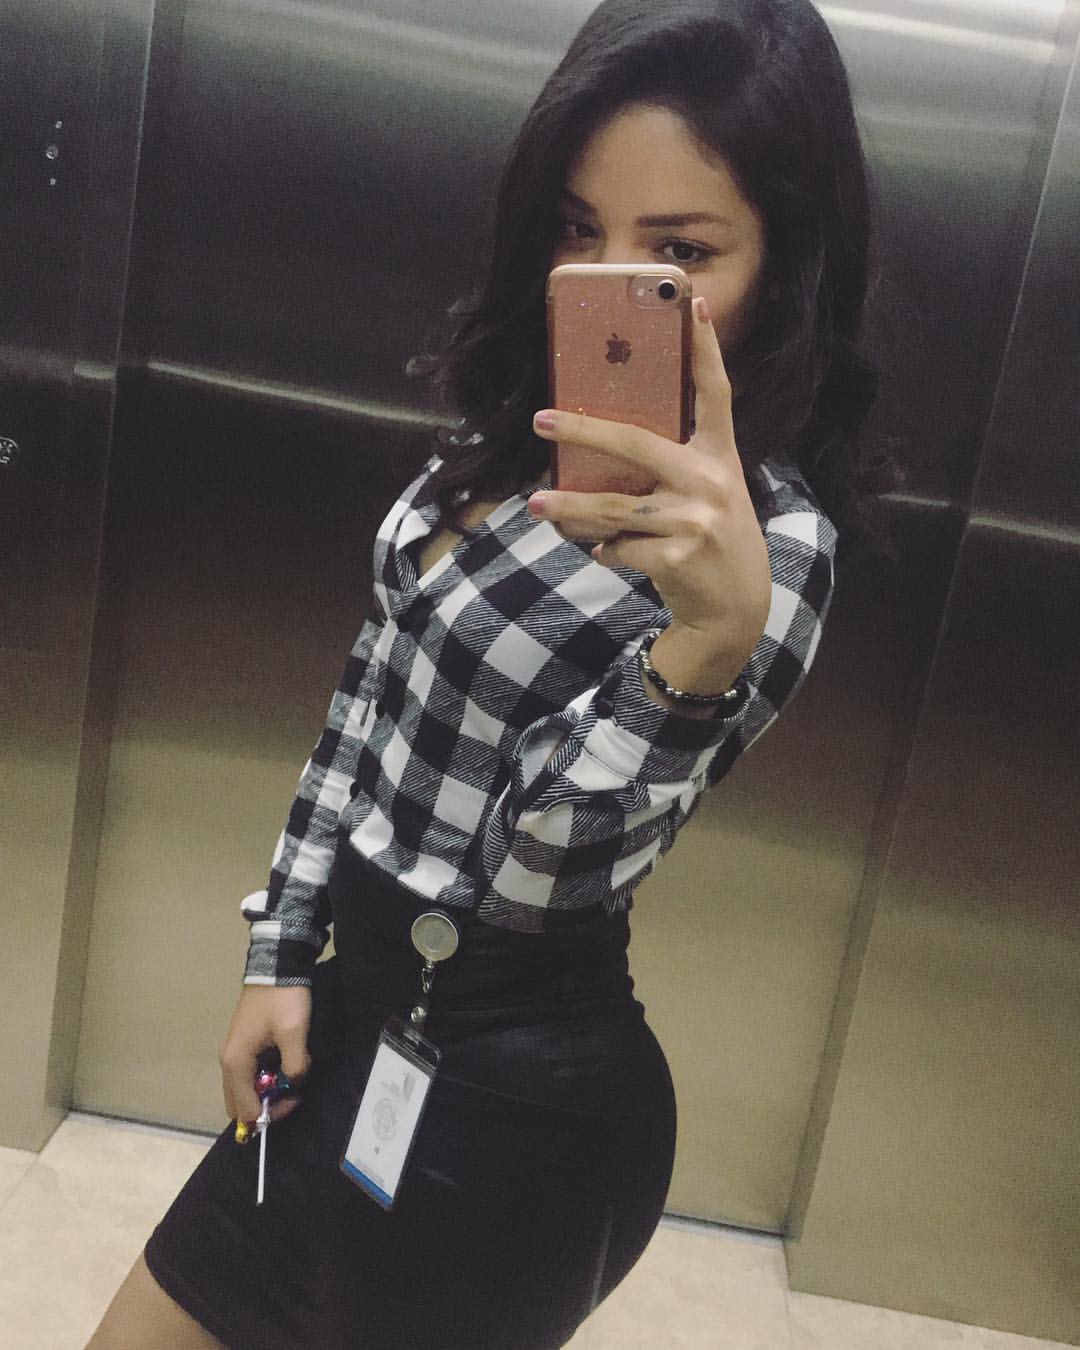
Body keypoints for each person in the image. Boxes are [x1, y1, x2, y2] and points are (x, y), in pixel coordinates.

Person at [89, 0, 880, 1346]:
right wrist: (280, 949)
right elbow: (369, 693)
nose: (608, 279)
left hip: (512, 1112)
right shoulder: (519, 436)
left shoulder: (767, 552)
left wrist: (698, 656)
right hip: (350, 1029)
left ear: (787, 267)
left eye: (681, 251)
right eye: (578, 227)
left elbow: (534, 872)